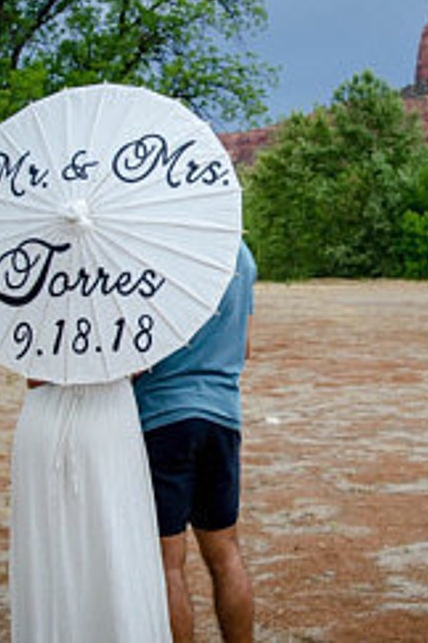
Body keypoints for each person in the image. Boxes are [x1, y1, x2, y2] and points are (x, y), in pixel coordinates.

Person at [133, 240, 257, 643]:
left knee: (168, 564)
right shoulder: (241, 255)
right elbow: (246, 347)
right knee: (225, 553)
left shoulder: (158, 249)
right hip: (222, 415)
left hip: (163, 418)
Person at [9, 377, 172, 642]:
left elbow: (34, 376)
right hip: (105, 416)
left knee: (61, 543)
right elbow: (138, 366)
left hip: (56, 419)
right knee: (115, 538)